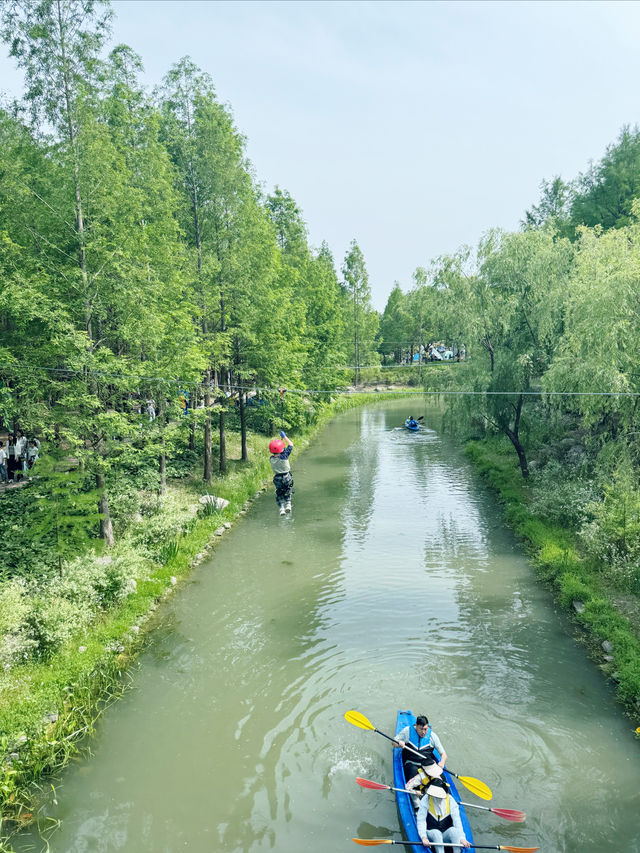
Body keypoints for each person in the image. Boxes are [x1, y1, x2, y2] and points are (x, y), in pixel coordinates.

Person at [416, 778, 470, 852]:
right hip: (431, 833)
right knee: (436, 834)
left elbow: (457, 821)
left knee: (453, 831)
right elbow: (421, 820)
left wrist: (462, 838)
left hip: (445, 834)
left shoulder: (450, 800)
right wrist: (423, 837)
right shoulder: (426, 799)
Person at [394, 715, 447, 783]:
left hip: (427, 765)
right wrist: (399, 743)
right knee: (413, 772)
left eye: (425, 729)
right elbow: (393, 742)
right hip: (411, 763)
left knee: (440, 780)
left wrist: (442, 762)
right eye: (421, 729)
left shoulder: (432, 736)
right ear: (416, 726)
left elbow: (444, 754)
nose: (423, 732)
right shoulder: (407, 731)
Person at [269, 431, 294, 516]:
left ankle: (282, 508)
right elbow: (291, 445)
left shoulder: (271, 458)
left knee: (279, 493)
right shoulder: (285, 455)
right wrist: (285, 436)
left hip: (277, 479)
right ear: (282, 449)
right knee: (287, 491)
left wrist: (280, 447)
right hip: (287, 477)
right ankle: (288, 505)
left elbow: (278, 453)